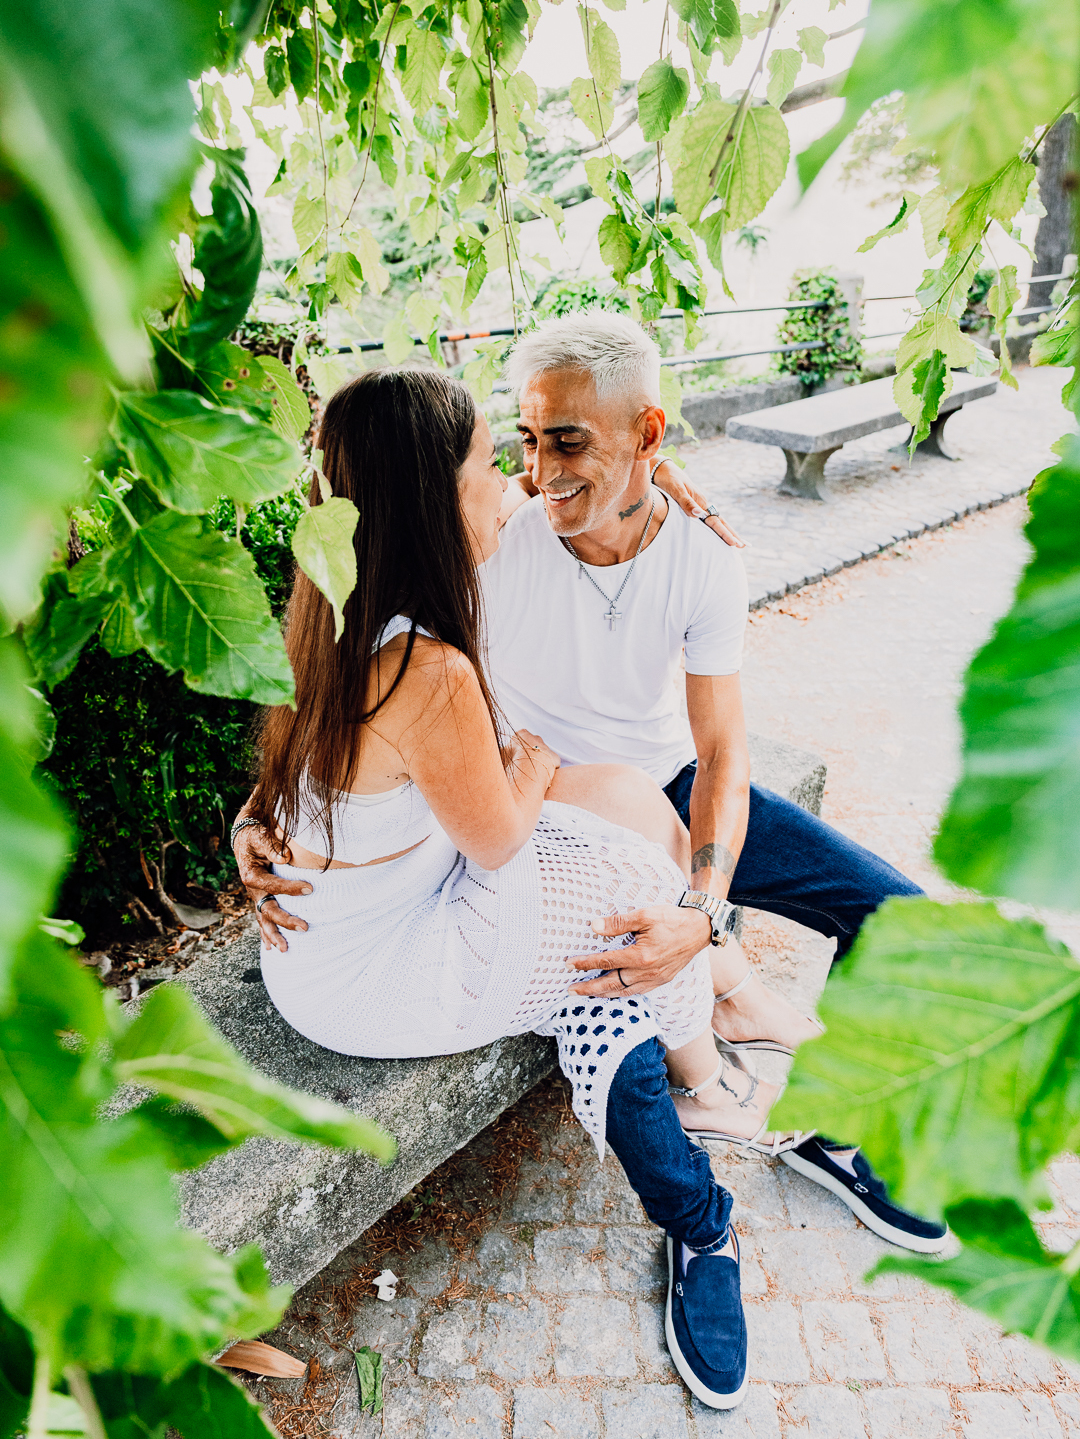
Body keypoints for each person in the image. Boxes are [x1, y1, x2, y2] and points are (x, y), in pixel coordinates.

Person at [238, 311, 947, 1257]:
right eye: (521, 444)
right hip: (525, 802)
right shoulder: (489, 542)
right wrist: (260, 812)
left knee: (898, 917)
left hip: (661, 782)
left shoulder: (702, 554)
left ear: (649, 436)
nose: (534, 472)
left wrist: (704, 906)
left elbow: (726, 753)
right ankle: (725, 1167)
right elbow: (354, 710)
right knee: (617, 960)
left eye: (565, 442)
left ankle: (822, 1090)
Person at [237, 365, 824, 1409]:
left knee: (619, 877)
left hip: (326, 945)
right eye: (485, 462)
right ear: (435, 499)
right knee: (623, 938)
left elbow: (316, 780)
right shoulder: (428, 667)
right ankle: (705, 1198)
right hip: (385, 975)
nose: (510, 477)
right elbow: (503, 839)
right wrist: (533, 767)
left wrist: (657, 469)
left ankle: (703, 1077)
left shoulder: (334, 600)